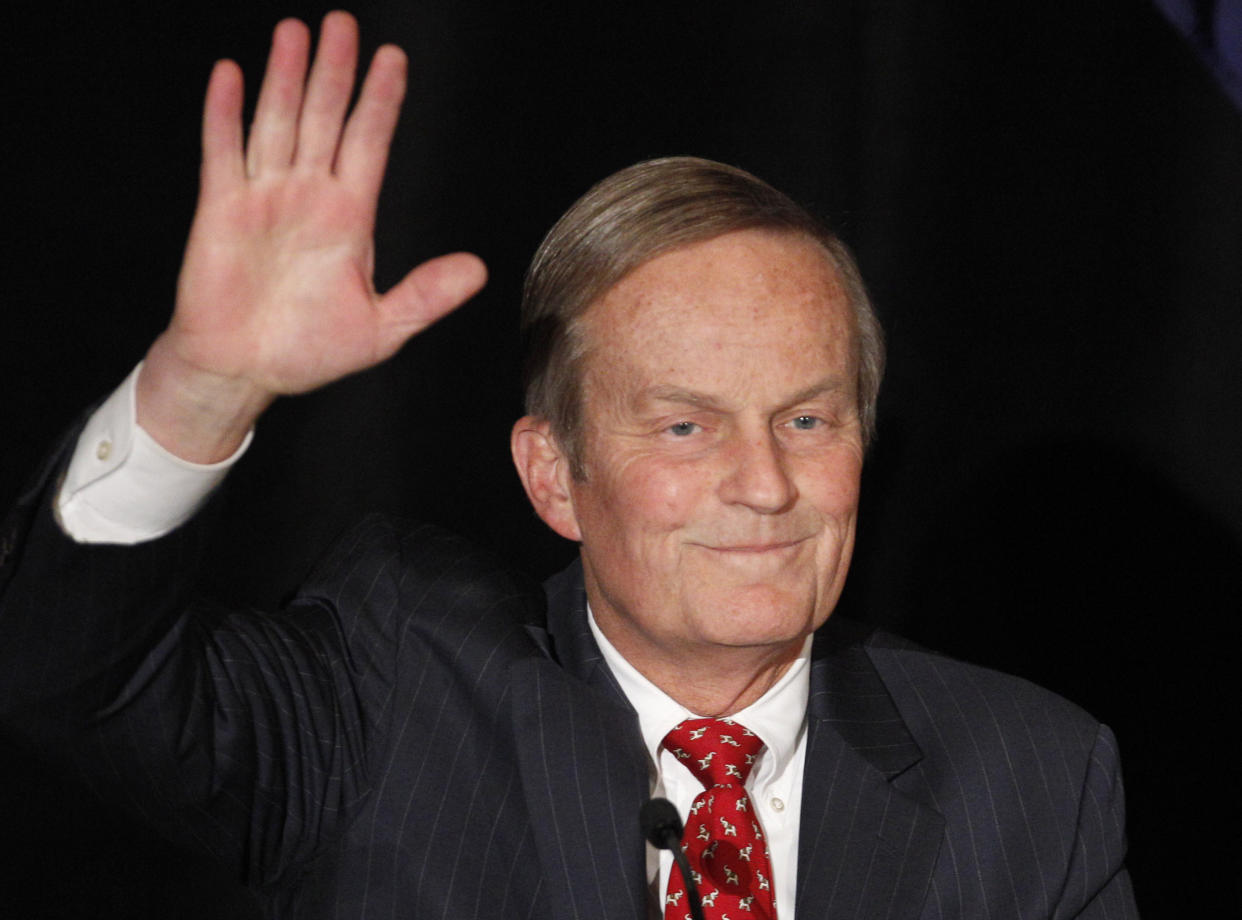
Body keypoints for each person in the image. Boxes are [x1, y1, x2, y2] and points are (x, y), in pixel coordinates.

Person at [0, 12, 1137, 919]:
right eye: (686, 427)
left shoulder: (1032, 777)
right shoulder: (394, 699)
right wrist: (203, 385)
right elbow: (67, 672)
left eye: (806, 420)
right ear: (555, 475)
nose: (765, 484)